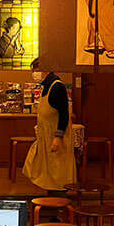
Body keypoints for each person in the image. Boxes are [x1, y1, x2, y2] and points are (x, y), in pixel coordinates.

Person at [22, 58, 75, 192]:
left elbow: (64, 114)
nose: (34, 74)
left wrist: (58, 137)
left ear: (45, 69)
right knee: (46, 170)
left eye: (35, 70)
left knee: (58, 172)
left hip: (55, 137)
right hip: (46, 136)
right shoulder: (47, 86)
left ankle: (59, 203)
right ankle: (51, 200)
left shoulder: (57, 87)